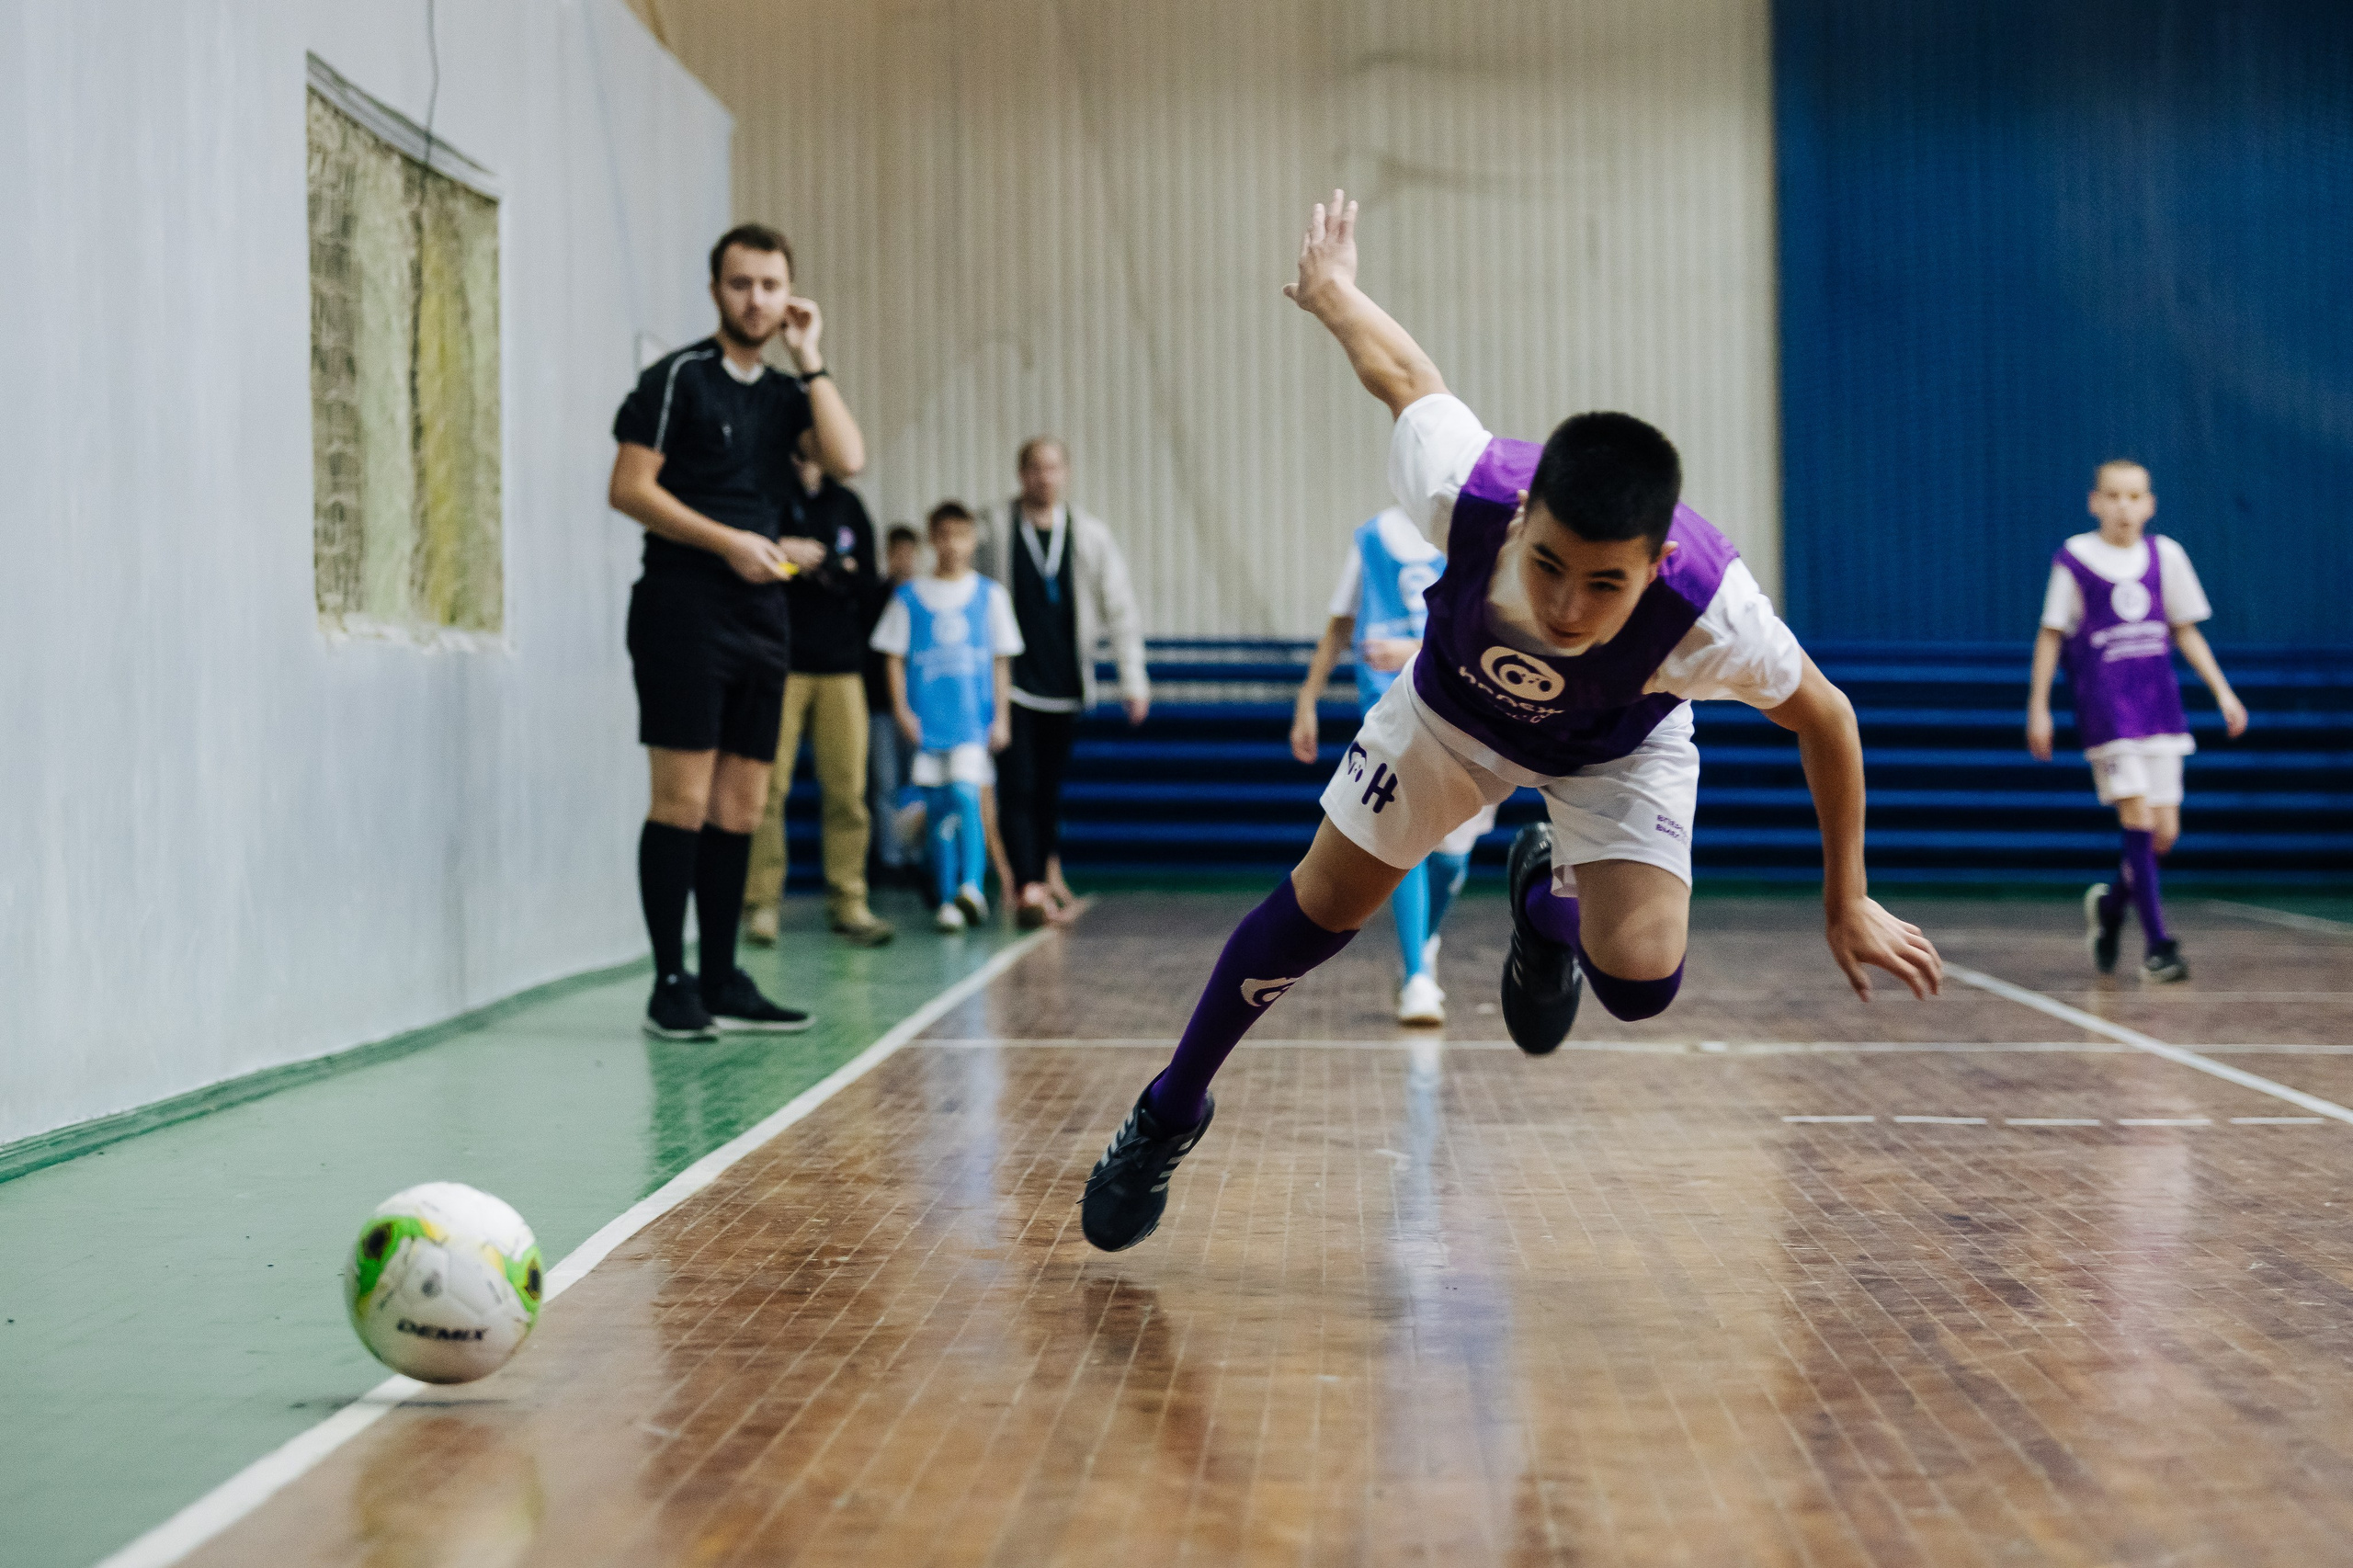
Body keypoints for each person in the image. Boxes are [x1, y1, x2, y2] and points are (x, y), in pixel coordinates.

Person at [1078, 190, 1943, 1253]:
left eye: (1604, 584)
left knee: (1640, 984)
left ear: (1656, 566)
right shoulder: (1467, 487)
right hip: (1450, 715)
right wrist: (1334, 294)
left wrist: (1845, 892)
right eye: (1547, 566)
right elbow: (1403, 377)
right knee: (1318, 910)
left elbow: (1828, 717)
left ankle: (1543, 903)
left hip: (1616, 750)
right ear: (1522, 516)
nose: (1568, 607)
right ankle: (1168, 1109)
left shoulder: (1715, 615)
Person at [608, 222, 866, 1040]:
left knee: (742, 802)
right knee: (682, 800)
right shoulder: (676, 378)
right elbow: (629, 488)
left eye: (769, 286)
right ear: (716, 289)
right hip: (684, 605)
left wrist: (811, 355)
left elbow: (847, 457)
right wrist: (730, 544)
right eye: (740, 284)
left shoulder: (789, 393)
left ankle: (722, 976)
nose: (755, 299)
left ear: (789, 295)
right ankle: (670, 982)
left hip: (762, 613)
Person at [2027, 460, 2245, 983]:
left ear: (2150, 504)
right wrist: (2038, 706)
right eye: (2114, 496)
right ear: (2094, 501)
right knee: (2138, 823)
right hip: (2109, 712)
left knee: (2163, 834)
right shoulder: (2075, 559)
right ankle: (2159, 946)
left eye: (2134, 497)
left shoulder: (2165, 555)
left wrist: (2223, 692)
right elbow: (2052, 634)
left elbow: (2185, 630)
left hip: (2160, 709)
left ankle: (2109, 911)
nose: (2124, 507)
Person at [1290, 506, 1495, 1024]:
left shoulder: (1476, 535)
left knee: (1451, 856)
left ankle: (1422, 943)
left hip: (1465, 713)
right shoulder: (1371, 541)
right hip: (1393, 712)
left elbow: (1489, 636)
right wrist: (1308, 698)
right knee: (1405, 845)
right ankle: (1417, 979)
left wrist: (1416, 647)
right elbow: (1339, 624)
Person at [979, 437, 1150, 928]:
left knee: (1049, 790)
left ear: (1066, 473)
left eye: (1052, 468)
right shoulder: (993, 527)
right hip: (1010, 685)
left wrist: (1132, 679)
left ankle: (1046, 872)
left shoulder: (1091, 535)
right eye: (1034, 468)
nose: (1043, 477)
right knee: (1019, 785)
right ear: (1020, 473)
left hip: (1065, 683)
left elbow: (1120, 607)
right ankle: (1027, 885)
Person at [743, 434, 893, 949]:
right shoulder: (766, 498)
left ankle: (849, 900)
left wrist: (825, 568)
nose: (808, 460)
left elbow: (867, 580)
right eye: (799, 449)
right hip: (780, 662)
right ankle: (761, 904)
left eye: (815, 450)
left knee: (848, 789)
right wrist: (788, 561)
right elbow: (751, 563)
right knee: (768, 789)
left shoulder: (847, 505)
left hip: (841, 667)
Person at [870, 504, 1025, 932]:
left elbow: (1000, 662)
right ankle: (946, 898)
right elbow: (893, 658)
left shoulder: (989, 596)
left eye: (961, 534)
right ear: (932, 539)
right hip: (927, 724)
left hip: (971, 722)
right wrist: (902, 709)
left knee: (964, 793)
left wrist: (1002, 718)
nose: (952, 544)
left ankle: (972, 886)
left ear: (973, 540)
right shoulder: (909, 597)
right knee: (937, 807)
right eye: (943, 535)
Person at [864, 524, 923, 886]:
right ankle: (890, 859)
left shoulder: (923, 598)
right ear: (889, 554)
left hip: (919, 710)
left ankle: (915, 856)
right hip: (881, 708)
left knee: (916, 785)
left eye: (908, 553)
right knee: (884, 785)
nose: (903, 560)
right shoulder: (874, 598)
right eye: (896, 552)